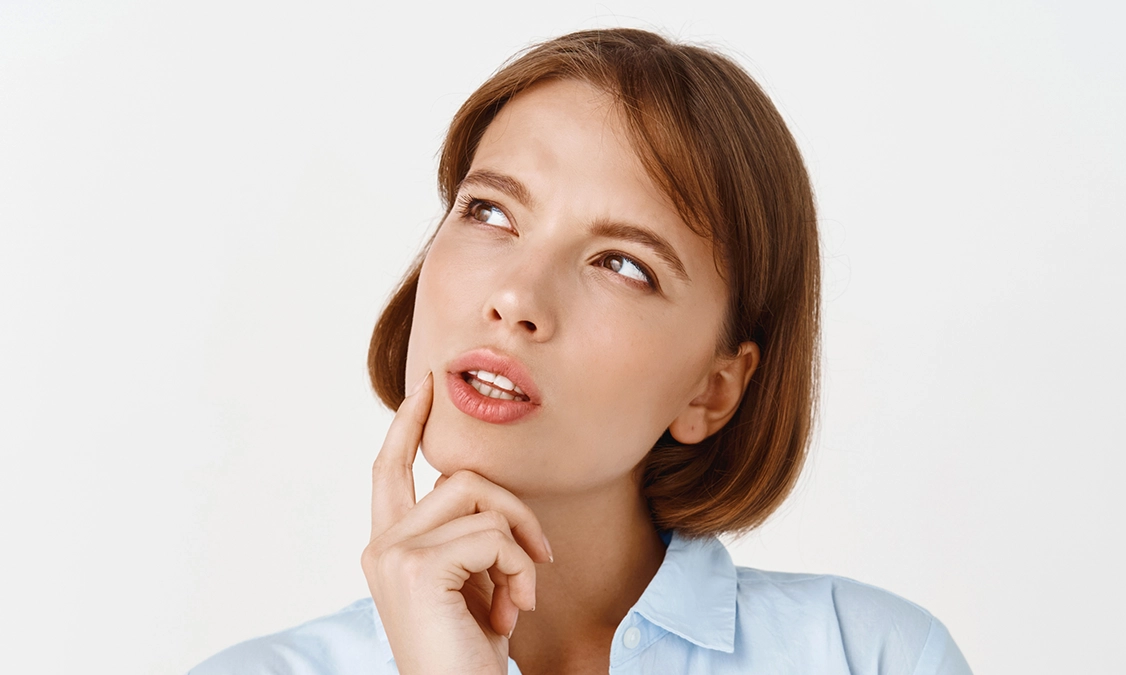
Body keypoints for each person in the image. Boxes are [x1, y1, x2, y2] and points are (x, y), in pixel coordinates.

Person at [190, 28, 972, 675]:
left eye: (623, 264)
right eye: (489, 211)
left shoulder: (871, 658)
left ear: (713, 389)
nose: (517, 298)